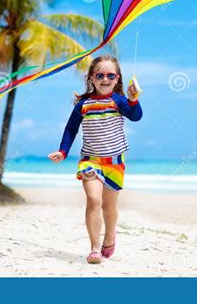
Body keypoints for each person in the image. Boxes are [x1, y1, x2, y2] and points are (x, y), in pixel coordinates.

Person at [48, 55, 143, 264]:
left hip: (115, 164)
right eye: (100, 74)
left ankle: (110, 237)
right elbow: (71, 128)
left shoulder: (118, 101)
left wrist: (133, 99)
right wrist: (63, 151)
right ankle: (94, 248)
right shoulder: (83, 104)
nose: (105, 79)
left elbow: (136, 116)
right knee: (93, 200)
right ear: (92, 77)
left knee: (109, 209)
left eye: (110, 75)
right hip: (90, 161)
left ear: (117, 78)